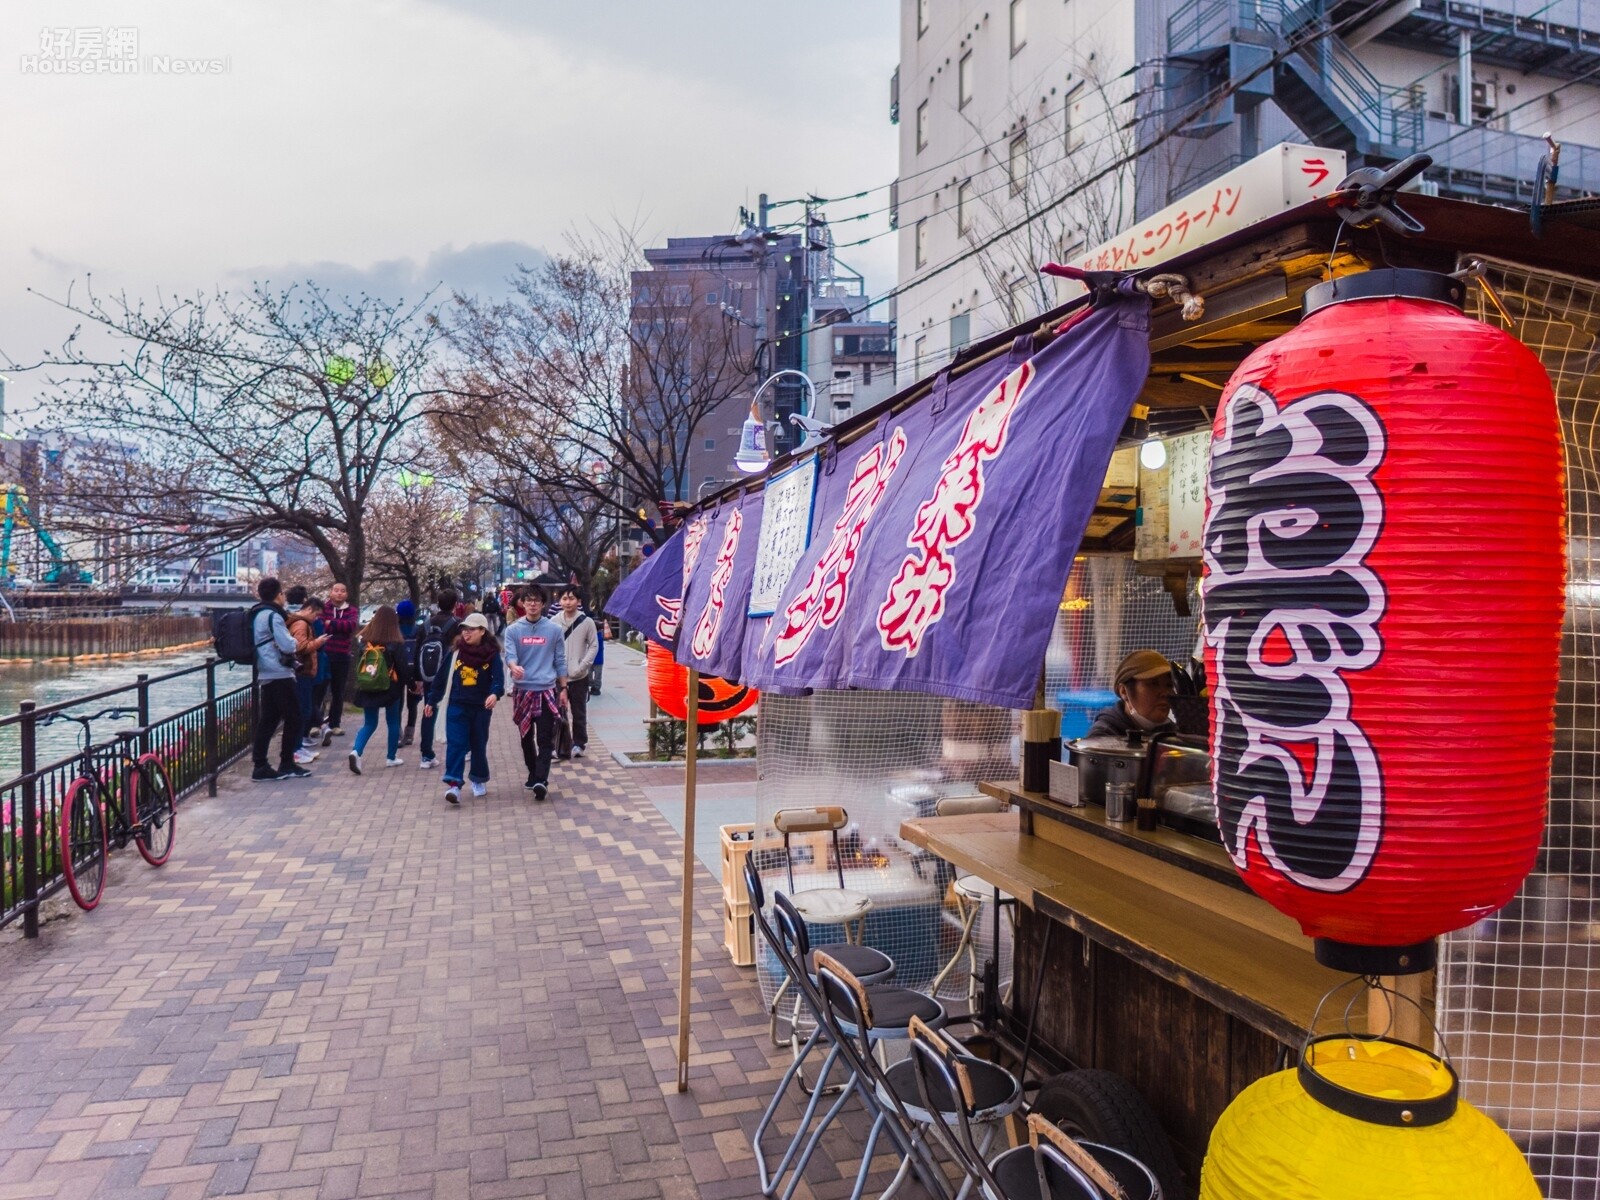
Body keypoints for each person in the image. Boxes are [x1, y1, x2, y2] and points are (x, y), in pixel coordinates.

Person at [424, 612, 504, 805]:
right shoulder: (455, 652)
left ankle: (478, 779)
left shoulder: (492, 656)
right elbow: (441, 678)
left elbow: (499, 680)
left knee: (478, 744)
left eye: (472, 630)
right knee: (456, 744)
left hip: (480, 708)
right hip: (457, 705)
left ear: (482, 631)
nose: (466, 634)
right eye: (464, 630)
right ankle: (454, 784)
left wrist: (494, 694)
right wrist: (431, 701)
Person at [503, 585, 568, 801]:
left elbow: (560, 660)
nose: (532, 604)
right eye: (528, 600)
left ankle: (541, 779)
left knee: (545, 739)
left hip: (546, 690)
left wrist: (564, 688)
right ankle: (533, 773)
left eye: (536, 601)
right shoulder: (513, 630)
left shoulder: (554, 630)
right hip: (523, 690)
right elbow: (510, 655)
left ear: (542, 604)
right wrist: (513, 667)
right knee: (525, 737)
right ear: (522, 603)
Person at [251, 577, 311, 781]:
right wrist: (293, 641)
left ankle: (260, 766)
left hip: (265, 670)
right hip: (279, 671)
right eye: (282, 593)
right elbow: (288, 646)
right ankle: (287, 763)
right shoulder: (273, 616)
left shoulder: (257, 614)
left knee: (268, 719)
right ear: (278, 595)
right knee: (295, 716)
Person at [347, 604, 412, 774]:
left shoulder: (365, 641)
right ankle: (391, 757)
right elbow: (403, 668)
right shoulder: (395, 642)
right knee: (392, 721)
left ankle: (356, 751)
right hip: (390, 686)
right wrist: (411, 685)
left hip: (368, 685)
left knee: (369, 723)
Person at [414, 588, 462, 770]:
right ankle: (459, 749)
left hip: (429, 675)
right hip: (451, 674)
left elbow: (419, 651)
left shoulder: (426, 625)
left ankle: (426, 754)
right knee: (455, 711)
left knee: (429, 710)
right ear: (455, 605)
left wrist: (418, 678)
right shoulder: (457, 624)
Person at [1085, 650, 1178, 741]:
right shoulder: (1103, 737)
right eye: (1153, 684)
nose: (1165, 693)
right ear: (1124, 691)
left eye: (1169, 685)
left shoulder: (1175, 735)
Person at [552, 586, 597, 759]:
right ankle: (559, 744)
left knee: (579, 712)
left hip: (579, 676)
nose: (567, 602)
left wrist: (582, 666)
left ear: (578, 601)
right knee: (557, 712)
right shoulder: (554, 622)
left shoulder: (587, 622)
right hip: (558, 676)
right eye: (564, 598)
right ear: (560, 601)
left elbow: (593, 646)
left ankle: (579, 743)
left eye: (571, 598)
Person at [285, 595, 327, 767]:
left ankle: (298, 747)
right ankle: (295, 749)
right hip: (303, 672)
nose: (316, 618)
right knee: (303, 710)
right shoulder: (301, 624)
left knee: (305, 709)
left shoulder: (299, 622)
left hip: (303, 672)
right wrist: (318, 642)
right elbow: (300, 647)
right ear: (309, 609)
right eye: (316, 614)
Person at [323, 582, 359, 741]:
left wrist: (332, 624)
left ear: (346, 594)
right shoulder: (324, 608)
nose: (339, 593)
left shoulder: (352, 610)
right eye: (336, 590)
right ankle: (315, 724)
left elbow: (350, 626)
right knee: (320, 690)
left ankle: (334, 724)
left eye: (342, 591)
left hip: (342, 655)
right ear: (330, 593)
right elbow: (321, 624)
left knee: (338, 692)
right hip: (325, 654)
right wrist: (335, 626)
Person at [396, 598, 420, 747]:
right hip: (414, 670)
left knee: (397, 704)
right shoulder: (418, 630)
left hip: (398, 669)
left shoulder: (394, 630)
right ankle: (410, 734)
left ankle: (397, 734)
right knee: (413, 704)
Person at [588, 618, 608, 697]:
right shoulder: (595, 635)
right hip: (591, 659)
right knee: (589, 674)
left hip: (598, 660)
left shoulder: (598, 637)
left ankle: (596, 688)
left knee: (597, 676)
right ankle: (593, 686)